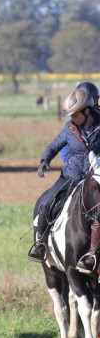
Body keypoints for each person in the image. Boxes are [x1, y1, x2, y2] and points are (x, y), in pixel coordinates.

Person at [29, 88, 100, 268]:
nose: (72, 119)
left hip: (94, 179)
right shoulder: (69, 128)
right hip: (70, 176)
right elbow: (55, 145)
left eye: (74, 115)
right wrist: (45, 159)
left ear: (87, 111)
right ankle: (40, 244)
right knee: (45, 204)